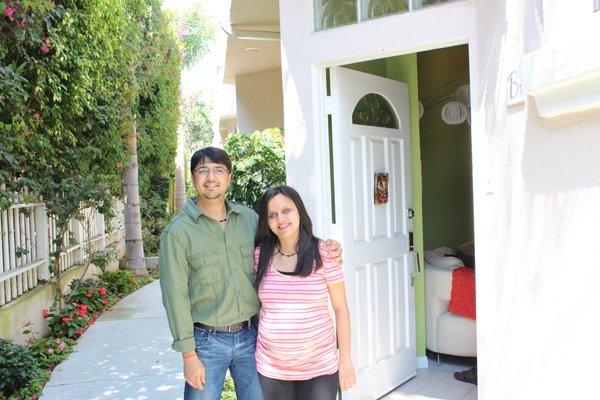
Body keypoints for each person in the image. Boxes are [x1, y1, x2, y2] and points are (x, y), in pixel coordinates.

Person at [159, 147, 342, 400]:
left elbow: (283, 240)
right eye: (203, 170)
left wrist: (328, 246)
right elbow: (174, 299)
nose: (211, 177)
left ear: (229, 178)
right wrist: (189, 355)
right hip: (206, 342)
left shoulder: (249, 219)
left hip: (252, 338)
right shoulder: (177, 233)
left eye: (218, 170)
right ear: (193, 177)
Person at [253, 185, 356, 400]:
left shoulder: (325, 253)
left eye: (286, 210)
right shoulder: (259, 255)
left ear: (299, 210)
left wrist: (345, 360)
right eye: (272, 215)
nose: (281, 219)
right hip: (272, 367)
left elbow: (340, 309)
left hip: (319, 367)